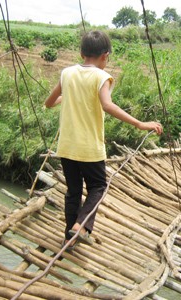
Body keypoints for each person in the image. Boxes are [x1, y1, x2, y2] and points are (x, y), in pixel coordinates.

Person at [44, 30, 163, 250]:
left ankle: (68, 238)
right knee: (98, 187)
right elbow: (107, 105)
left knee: (73, 192)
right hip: (89, 148)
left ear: (81, 53)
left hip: (67, 146)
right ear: (105, 55)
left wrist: (67, 99)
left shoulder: (66, 73)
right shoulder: (101, 77)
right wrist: (140, 124)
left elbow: (49, 102)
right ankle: (81, 227)